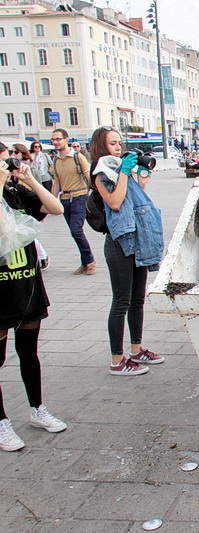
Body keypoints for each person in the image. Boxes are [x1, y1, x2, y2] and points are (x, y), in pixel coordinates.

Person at [0, 142, 67, 451]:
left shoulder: (15, 193)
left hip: (26, 284)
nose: (7, 167)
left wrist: (28, 181)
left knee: (29, 352)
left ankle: (37, 409)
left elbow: (56, 208)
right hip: (1, 292)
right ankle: (1, 423)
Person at [88, 126, 165, 376]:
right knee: (121, 302)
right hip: (119, 244)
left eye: (120, 143)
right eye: (112, 144)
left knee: (137, 300)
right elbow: (115, 201)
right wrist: (122, 171)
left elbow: (132, 201)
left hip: (137, 240)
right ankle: (116, 360)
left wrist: (140, 178)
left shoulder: (121, 170)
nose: (118, 147)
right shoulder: (101, 172)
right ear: (101, 146)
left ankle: (136, 349)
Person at [49, 128, 95, 275]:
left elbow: (88, 178)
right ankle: (85, 262)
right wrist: (50, 202)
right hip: (65, 199)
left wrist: (89, 195)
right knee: (74, 231)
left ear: (66, 139)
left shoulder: (77, 157)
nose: (55, 142)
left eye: (58, 139)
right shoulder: (56, 160)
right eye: (53, 139)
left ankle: (90, 260)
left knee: (76, 230)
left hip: (79, 196)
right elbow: (56, 183)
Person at [10, 144, 50, 271]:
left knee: (28, 235)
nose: (13, 156)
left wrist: (30, 181)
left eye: (15, 152)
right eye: (11, 152)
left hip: (28, 202)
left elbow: (38, 183)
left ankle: (42, 256)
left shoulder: (28, 168)